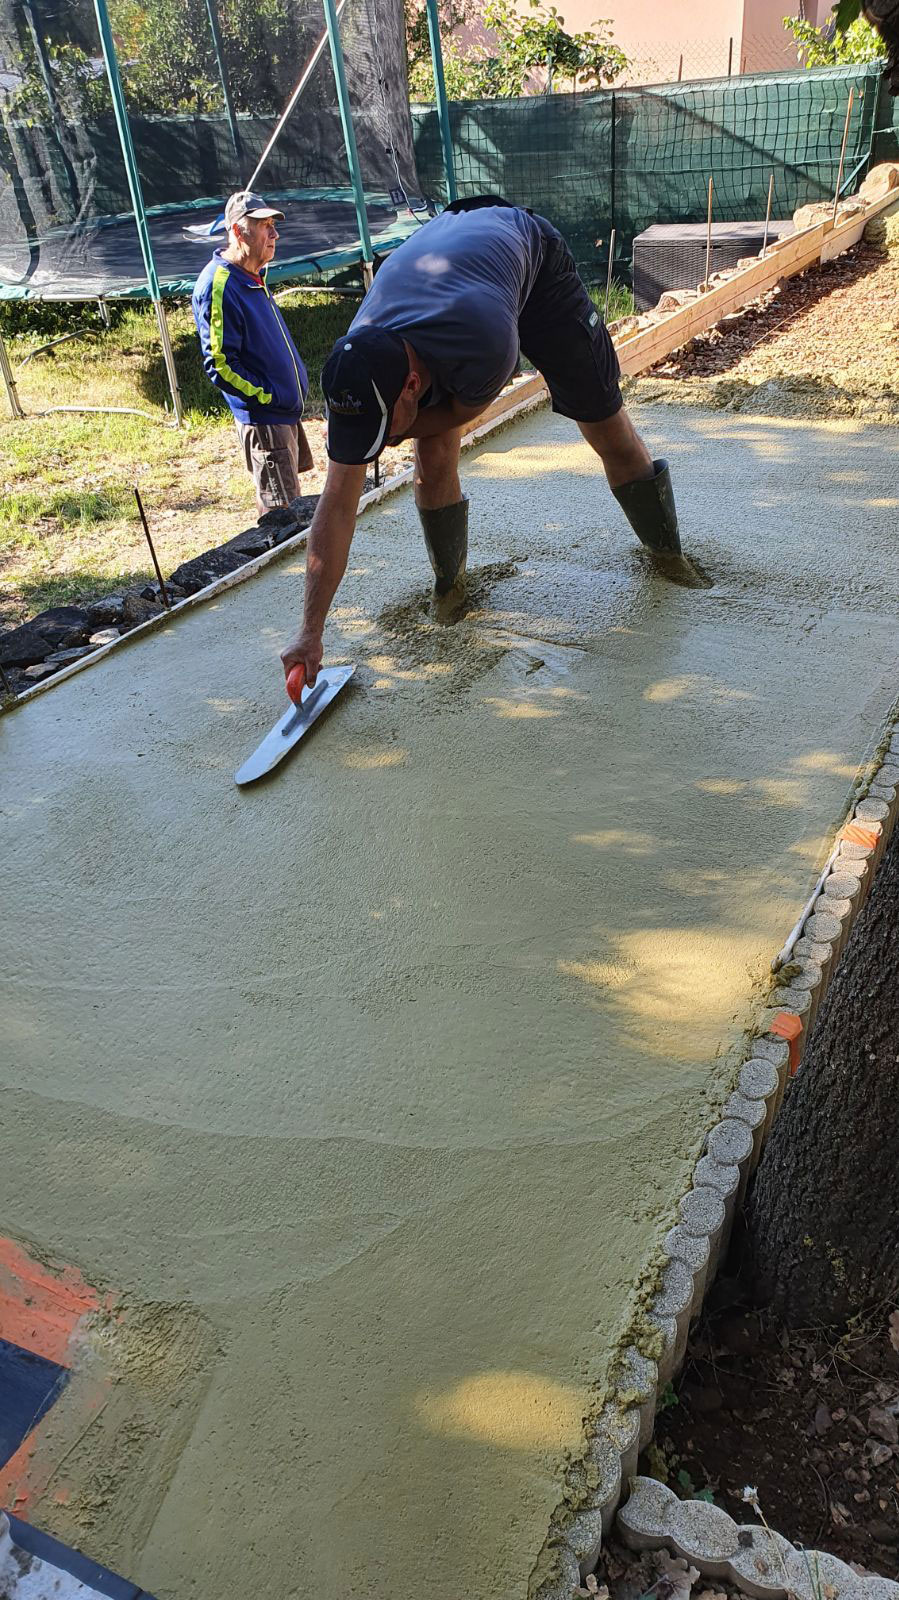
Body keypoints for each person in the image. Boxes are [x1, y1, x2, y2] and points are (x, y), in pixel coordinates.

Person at [280, 200, 691, 688]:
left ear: (412, 385)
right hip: (451, 264)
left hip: (532, 263)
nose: (383, 441)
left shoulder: (485, 344)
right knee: (430, 458)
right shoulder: (358, 364)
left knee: (605, 426)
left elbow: (462, 412)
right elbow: (338, 501)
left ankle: (669, 556)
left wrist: (405, 428)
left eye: (387, 425)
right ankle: (449, 587)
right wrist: (310, 630)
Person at [192, 190, 313, 516]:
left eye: (274, 225)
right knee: (283, 520)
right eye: (263, 226)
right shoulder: (219, 284)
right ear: (237, 231)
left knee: (287, 506)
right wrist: (269, 397)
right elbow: (219, 363)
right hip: (266, 420)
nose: (274, 234)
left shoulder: (254, 274)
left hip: (284, 414)